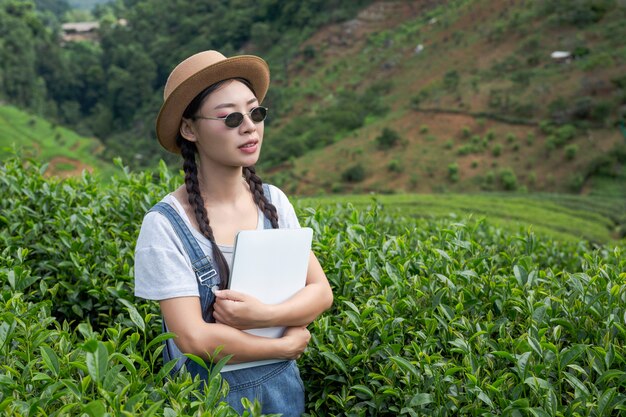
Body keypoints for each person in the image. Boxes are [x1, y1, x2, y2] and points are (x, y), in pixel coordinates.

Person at [134, 50, 333, 415]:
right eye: (230, 118)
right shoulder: (165, 225)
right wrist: (282, 346)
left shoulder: (272, 202)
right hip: (207, 399)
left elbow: (320, 292)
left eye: (256, 113)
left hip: (284, 390)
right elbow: (193, 338)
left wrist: (261, 316)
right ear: (189, 129)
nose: (249, 127)